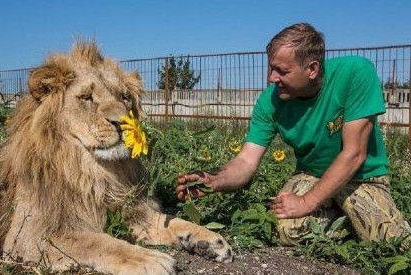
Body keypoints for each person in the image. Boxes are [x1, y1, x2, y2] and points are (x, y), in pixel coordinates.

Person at [176, 22, 410, 245]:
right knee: (283, 229)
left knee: (388, 240)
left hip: (361, 177)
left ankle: (349, 219)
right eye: (271, 69)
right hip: (312, 175)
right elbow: (246, 161)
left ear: (312, 69)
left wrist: (307, 201)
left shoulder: (355, 73)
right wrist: (214, 180)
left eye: (282, 71)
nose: (272, 78)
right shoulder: (270, 102)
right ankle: (345, 222)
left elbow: (354, 154)